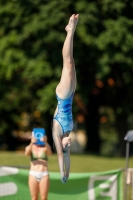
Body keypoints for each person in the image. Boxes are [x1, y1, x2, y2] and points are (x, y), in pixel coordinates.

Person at [52, 14, 79, 183]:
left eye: (66, 145)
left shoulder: (57, 132)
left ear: (60, 143)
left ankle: (70, 31)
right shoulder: (68, 132)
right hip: (71, 94)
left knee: (67, 63)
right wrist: (67, 176)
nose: (69, 144)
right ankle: (71, 32)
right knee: (72, 62)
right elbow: (67, 154)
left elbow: (61, 155)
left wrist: (61, 172)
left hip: (62, 96)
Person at [25, 134, 52, 200]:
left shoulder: (45, 147)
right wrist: (31, 143)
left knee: (44, 198)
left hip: (44, 174)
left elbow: (50, 153)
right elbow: (26, 153)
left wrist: (45, 142)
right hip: (33, 174)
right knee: (34, 197)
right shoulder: (30, 147)